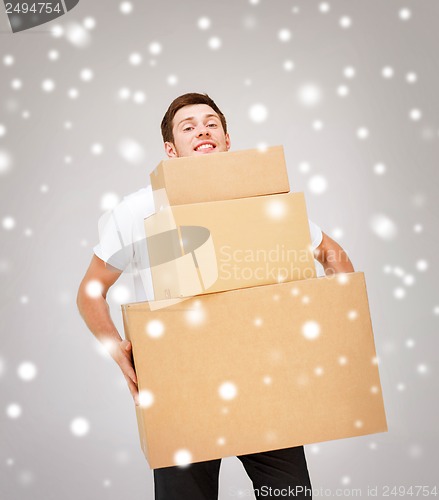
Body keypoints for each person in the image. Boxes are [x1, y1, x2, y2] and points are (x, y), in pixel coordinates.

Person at [77, 93, 354, 499]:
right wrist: (116, 348)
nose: (202, 130)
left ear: (227, 141)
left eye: (211, 123)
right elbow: (89, 292)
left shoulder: (260, 201)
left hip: (263, 382)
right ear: (170, 151)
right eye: (188, 127)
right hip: (179, 388)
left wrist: (326, 327)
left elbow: (334, 257)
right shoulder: (136, 210)